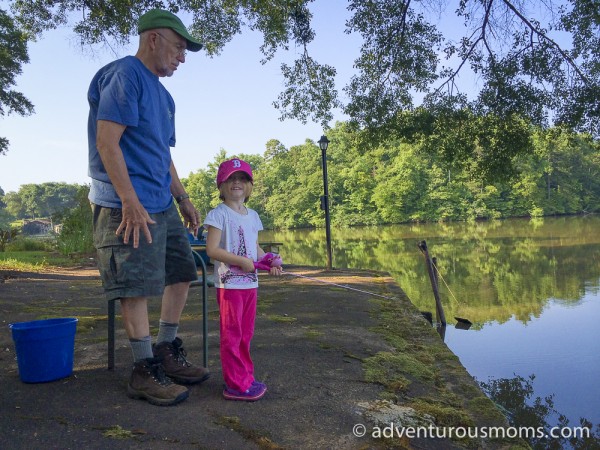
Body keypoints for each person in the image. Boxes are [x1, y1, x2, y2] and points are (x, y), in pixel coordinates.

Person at [87, 9, 209, 406]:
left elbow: (163, 154)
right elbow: (108, 142)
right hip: (127, 202)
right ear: (153, 39)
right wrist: (129, 201)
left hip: (159, 201)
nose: (183, 57)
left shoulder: (165, 96)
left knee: (182, 271)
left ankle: (165, 350)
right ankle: (143, 370)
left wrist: (184, 197)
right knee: (135, 285)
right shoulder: (124, 75)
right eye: (179, 47)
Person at [204, 159, 282, 401]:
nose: (236, 183)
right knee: (232, 334)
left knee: (246, 334)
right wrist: (240, 260)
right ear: (221, 185)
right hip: (230, 286)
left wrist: (269, 260)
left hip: (251, 284)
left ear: (249, 186)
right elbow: (212, 250)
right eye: (230, 179)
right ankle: (235, 385)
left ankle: (246, 377)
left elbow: (255, 248)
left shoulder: (253, 216)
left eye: (242, 179)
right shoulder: (218, 214)